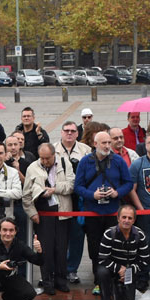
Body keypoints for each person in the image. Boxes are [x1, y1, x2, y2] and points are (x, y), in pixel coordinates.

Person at [74, 131, 133, 288]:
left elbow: (128, 183)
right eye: (104, 143)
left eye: (109, 143)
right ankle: (98, 281)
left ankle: (114, 279)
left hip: (112, 212)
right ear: (95, 144)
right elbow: (77, 186)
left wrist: (117, 193)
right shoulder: (85, 162)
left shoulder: (118, 161)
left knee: (115, 246)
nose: (107, 146)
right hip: (92, 212)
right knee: (95, 248)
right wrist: (92, 195)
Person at [23, 142, 74, 294]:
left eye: (48, 158)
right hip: (43, 214)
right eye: (42, 158)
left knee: (61, 249)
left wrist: (55, 189)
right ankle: (47, 282)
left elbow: (71, 185)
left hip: (62, 212)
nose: (45, 161)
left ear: (54, 155)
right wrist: (32, 213)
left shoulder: (64, 163)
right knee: (45, 250)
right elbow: (26, 195)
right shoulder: (32, 167)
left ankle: (61, 280)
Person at [93, 205, 150, 300]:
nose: (126, 220)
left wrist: (129, 271)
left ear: (134, 220)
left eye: (130, 218)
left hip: (130, 269)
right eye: (124, 217)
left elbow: (145, 260)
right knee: (101, 272)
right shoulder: (109, 234)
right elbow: (102, 259)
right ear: (118, 218)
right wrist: (119, 269)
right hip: (112, 268)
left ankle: (118, 287)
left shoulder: (140, 235)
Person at [54, 120, 90, 284]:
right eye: (66, 130)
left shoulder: (86, 150)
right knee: (59, 237)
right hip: (59, 197)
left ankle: (72, 269)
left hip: (79, 199)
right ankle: (58, 268)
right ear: (61, 132)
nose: (69, 133)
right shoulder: (53, 149)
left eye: (72, 131)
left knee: (77, 236)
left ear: (77, 133)